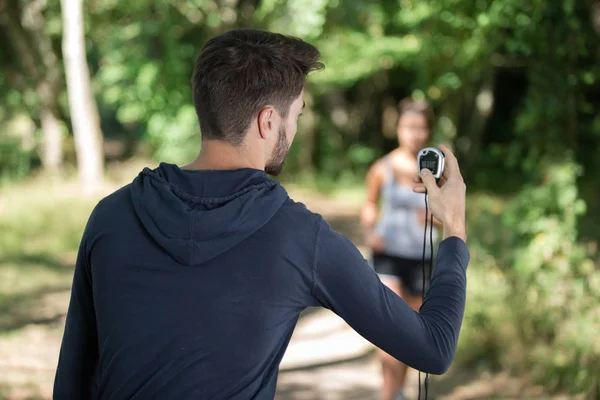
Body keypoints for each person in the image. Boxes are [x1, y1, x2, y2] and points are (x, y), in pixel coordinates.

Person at [53, 29, 469, 400]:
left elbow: (72, 380)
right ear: (269, 120)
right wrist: (454, 227)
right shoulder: (301, 237)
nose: (296, 125)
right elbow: (432, 348)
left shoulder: (110, 217)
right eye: (297, 114)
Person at [361, 97, 444, 400]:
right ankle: (387, 395)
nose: (415, 134)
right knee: (390, 329)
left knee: (412, 332)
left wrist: (435, 219)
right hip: (388, 257)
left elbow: (451, 216)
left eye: (421, 128)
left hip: (421, 259)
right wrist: (370, 233)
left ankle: (397, 391)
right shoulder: (382, 167)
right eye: (409, 127)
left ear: (428, 132)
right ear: (398, 128)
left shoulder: (436, 171)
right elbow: (369, 206)